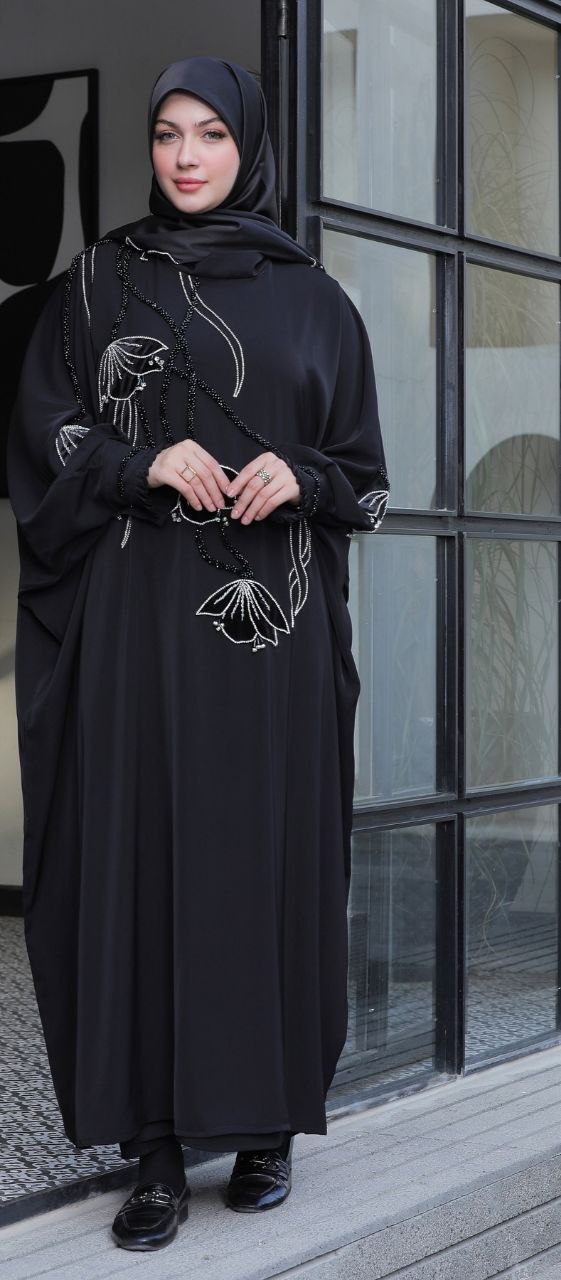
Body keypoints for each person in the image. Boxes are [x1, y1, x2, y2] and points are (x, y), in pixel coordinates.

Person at [6, 55, 389, 1252]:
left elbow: (368, 483)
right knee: (144, 865)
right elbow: (40, 435)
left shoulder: (316, 300)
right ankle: (159, 1149)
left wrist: (303, 475)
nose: (184, 155)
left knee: (262, 863)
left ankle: (267, 1126)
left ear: (248, 146)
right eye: (169, 132)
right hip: (138, 643)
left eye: (211, 134)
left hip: (269, 642)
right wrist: (139, 462)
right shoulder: (97, 285)